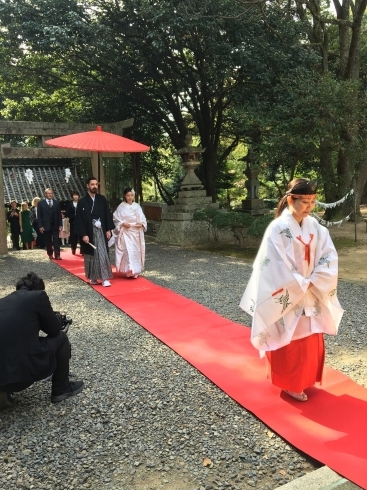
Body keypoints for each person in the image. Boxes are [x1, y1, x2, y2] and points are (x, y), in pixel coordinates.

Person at [240, 178, 344, 402]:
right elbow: (273, 264)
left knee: (309, 337)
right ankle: (290, 383)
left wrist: (315, 279)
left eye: (313, 201)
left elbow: (328, 256)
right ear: (290, 199)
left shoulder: (316, 227)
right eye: (304, 201)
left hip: (311, 289)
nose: (309, 206)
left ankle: (305, 379)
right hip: (290, 291)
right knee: (290, 338)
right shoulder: (277, 228)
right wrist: (300, 283)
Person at [0, 272, 84, 408]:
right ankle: (61, 389)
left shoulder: (3, 302)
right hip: (21, 377)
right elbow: (54, 329)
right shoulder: (38, 296)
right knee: (61, 338)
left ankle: (3, 391)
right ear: (39, 288)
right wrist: (58, 318)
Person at [75, 177, 114, 287]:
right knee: (91, 255)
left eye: (96, 184)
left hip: (100, 229)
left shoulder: (102, 199)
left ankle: (105, 278)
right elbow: (80, 219)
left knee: (102, 253)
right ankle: (93, 277)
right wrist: (83, 234)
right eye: (92, 184)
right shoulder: (82, 201)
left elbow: (107, 214)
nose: (94, 186)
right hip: (89, 230)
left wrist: (108, 229)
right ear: (87, 186)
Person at [113, 187, 147, 278]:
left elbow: (142, 218)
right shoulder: (121, 206)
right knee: (127, 251)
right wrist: (122, 223)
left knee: (135, 251)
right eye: (128, 195)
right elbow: (115, 218)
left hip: (135, 231)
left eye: (131, 195)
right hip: (126, 232)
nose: (130, 197)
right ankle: (129, 269)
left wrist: (142, 223)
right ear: (125, 196)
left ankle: (135, 270)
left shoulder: (137, 206)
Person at [37, 188, 63, 260]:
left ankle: (57, 255)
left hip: (55, 224)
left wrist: (60, 225)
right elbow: (39, 216)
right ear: (45, 194)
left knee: (56, 240)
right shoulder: (41, 203)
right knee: (48, 241)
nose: (50, 194)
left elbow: (59, 215)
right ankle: (50, 253)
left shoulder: (56, 203)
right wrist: (40, 226)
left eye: (51, 193)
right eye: (48, 193)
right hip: (46, 225)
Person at [65, 190, 82, 255]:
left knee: (81, 236)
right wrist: (73, 216)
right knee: (73, 236)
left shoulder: (81, 203)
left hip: (81, 222)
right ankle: (73, 249)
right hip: (73, 222)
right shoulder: (70, 204)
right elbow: (67, 213)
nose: (75, 197)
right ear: (72, 196)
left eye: (76, 195)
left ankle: (82, 250)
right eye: (74, 195)